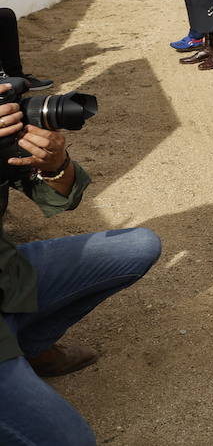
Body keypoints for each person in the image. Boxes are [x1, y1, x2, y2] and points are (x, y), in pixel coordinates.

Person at [0, 86, 162, 444]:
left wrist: (55, 165)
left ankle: (29, 346)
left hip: (6, 273)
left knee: (138, 246)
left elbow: (58, 199)